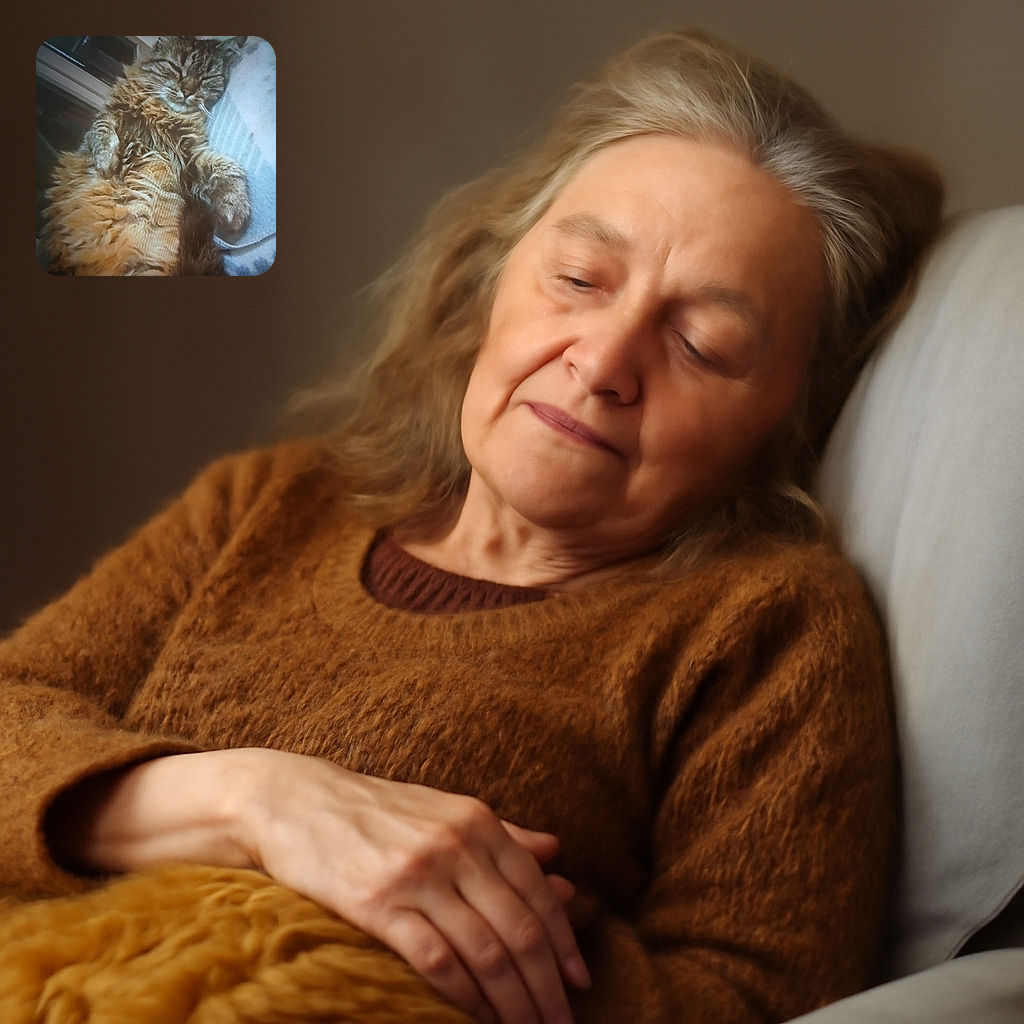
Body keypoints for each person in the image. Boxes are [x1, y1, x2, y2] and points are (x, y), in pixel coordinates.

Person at [0, 27, 942, 1024]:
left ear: (783, 420)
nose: (603, 360)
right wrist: (259, 803)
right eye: (578, 280)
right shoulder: (271, 501)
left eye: (702, 345)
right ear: (488, 279)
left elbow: (757, 995)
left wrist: (454, 937)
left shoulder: (765, 629)